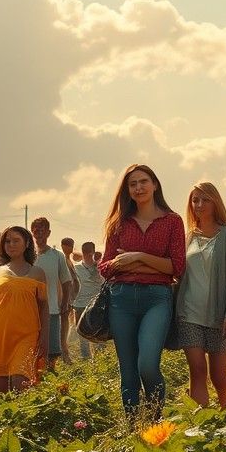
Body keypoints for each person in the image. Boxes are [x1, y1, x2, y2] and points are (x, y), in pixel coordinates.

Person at [98, 164, 186, 418]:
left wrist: (136, 258)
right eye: (132, 184)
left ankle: (155, 420)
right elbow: (106, 268)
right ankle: (133, 427)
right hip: (121, 299)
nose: (138, 187)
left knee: (147, 364)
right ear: (127, 190)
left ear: (155, 184)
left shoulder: (172, 221)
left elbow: (177, 267)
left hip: (156, 299)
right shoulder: (118, 223)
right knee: (128, 372)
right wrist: (126, 264)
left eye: (143, 181)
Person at [174, 182, 226, 408]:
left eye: (205, 200)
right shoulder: (187, 237)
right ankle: (201, 426)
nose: (199, 205)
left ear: (216, 202)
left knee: (219, 377)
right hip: (189, 314)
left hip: (220, 315)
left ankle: (225, 406)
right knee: (197, 370)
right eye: (195, 200)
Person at [0, 226, 48, 392]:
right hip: (0, 337)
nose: (11, 244)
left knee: (20, 383)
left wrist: (45, 339)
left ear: (27, 244)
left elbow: (44, 309)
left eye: (16, 240)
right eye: (7, 241)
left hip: (27, 335)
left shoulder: (38, 273)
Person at [29, 218, 72, 370]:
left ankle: (50, 374)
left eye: (41, 230)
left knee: (52, 349)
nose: (38, 233)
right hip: (30, 309)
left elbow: (66, 281)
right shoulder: (28, 255)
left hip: (52, 308)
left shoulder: (57, 256)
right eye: (35, 231)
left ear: (48, 233)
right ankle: (33, 375)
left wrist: (65, 302)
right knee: (32, 347)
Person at [72, 241, 105, 359]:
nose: (87, 256)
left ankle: (101, 357)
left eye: (89, 253)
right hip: (80, 303)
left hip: (95, 304)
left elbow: (103, 283)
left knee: (98, 331)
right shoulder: (76, 268)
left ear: (93, 252)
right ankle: (86, 357)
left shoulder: (100, 268)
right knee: (82, 332)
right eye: (85, 253)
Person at [58, 237, 80, 363]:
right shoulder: (61, 259)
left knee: (66, 326)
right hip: (64, 298)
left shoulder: (69, 260)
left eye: (71, 245)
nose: (69, 247)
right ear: (62, 245)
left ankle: (65, 353)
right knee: (63, 326)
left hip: (70, 298)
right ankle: (64, 354)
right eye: (67, 245)